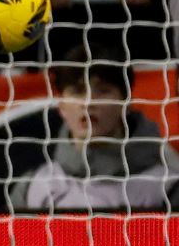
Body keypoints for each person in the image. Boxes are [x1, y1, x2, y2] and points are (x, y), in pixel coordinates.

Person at [12, 46, 179, 212]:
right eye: (77, 91)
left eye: (103, 91)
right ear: (61, 107)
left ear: (126, 104)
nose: (89, 103)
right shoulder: (32, 188)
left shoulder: (167, 187)